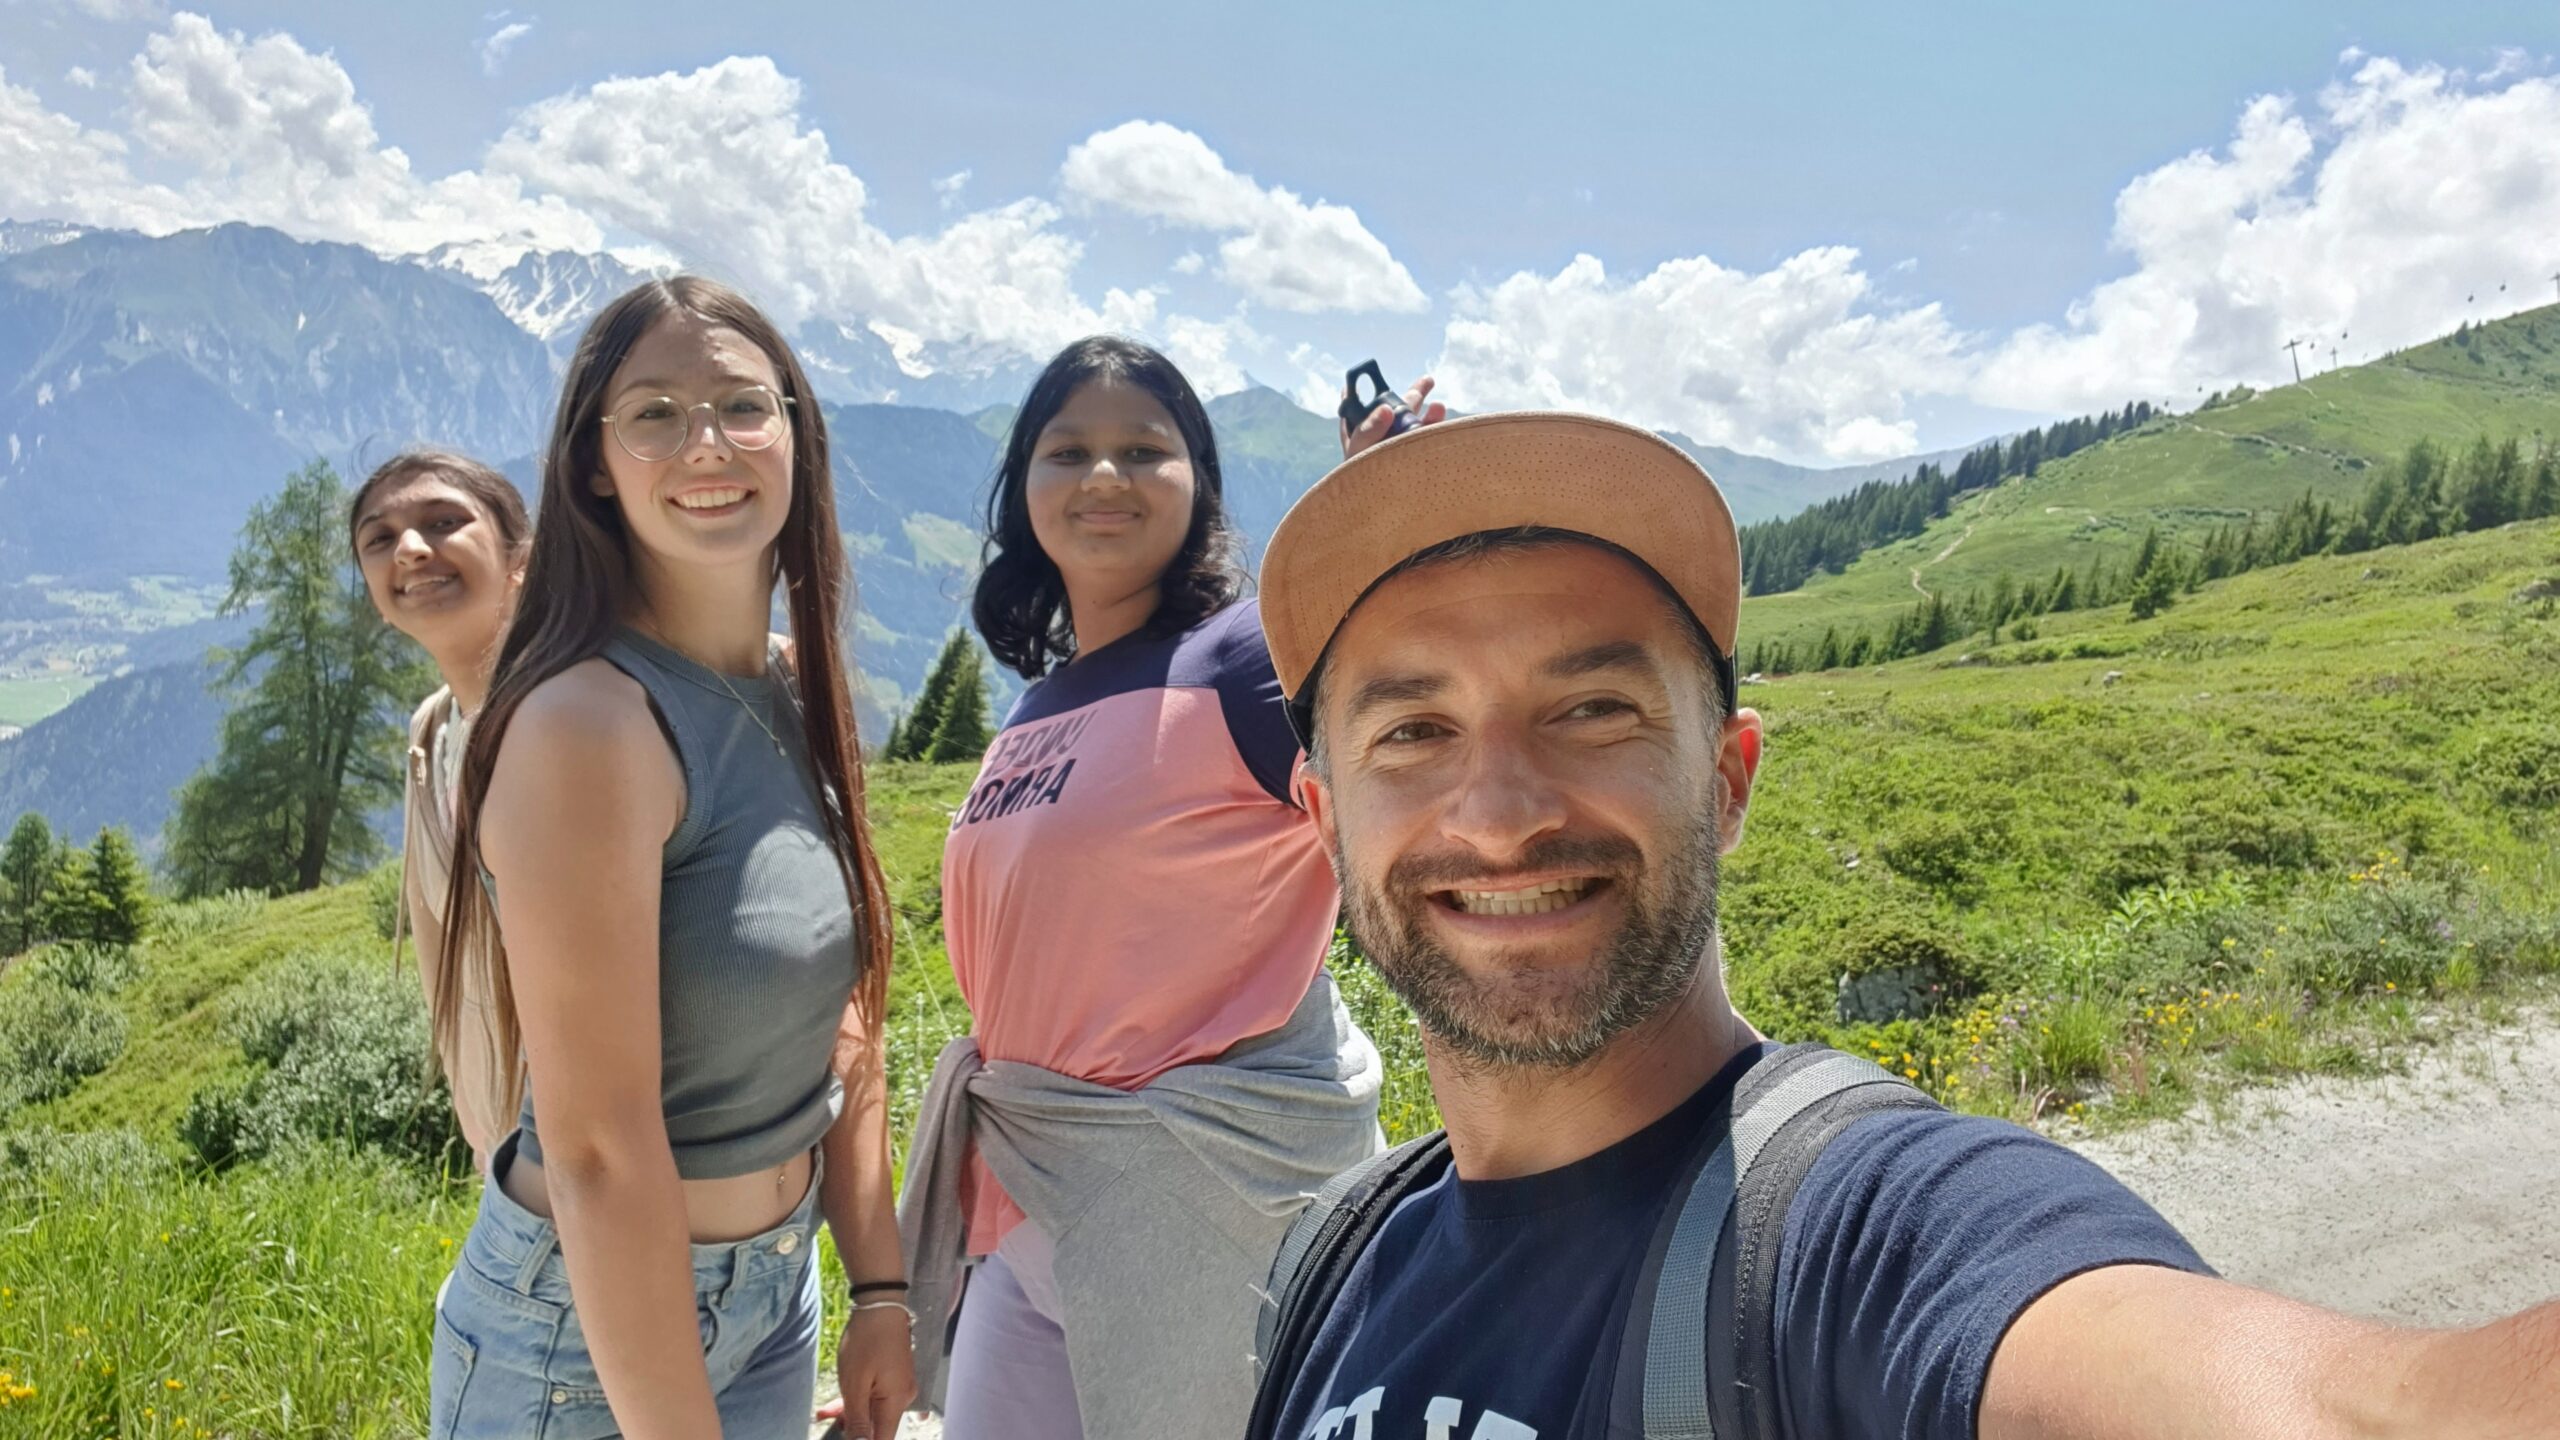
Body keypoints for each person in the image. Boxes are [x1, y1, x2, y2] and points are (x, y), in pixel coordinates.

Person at [1244, 410, 2560, 1439]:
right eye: (1413, 731)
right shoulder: (1331, 1261)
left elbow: (2347, 1410)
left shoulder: (1859, 1236)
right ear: (1323, 817)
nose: (1503, 812)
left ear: (1728, 778)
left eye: (1593, 711)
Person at [891, 338, 1415, 1439]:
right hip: (1028, 1195)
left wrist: (1390, 513)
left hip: (1197, 1205)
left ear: (1198, 484)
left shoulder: (1240, 660)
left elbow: (1413, 760)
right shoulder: (1038, 703)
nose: (1103, 477)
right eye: (1066, 449)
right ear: (1023, 487)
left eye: (1144, 448)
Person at [430, 276, 916, 1440]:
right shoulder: (585, 725)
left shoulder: (794, 688)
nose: (708, 443)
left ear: (796, 433)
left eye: (745, 406)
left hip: (774, 1296)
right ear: (595, 462)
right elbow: (597, 1150)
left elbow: (843, 1027)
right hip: (587, 1337)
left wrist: (880, 1289)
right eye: (654, 412)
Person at [349, 449, 530, 1172]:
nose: (411, 549)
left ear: (523, 557)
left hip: (615, 1159)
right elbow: (437, 948)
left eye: (443, 521)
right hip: (510, 1151)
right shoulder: (431, 731)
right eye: (380, 538)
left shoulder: (574, 719)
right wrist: (474, 1109)